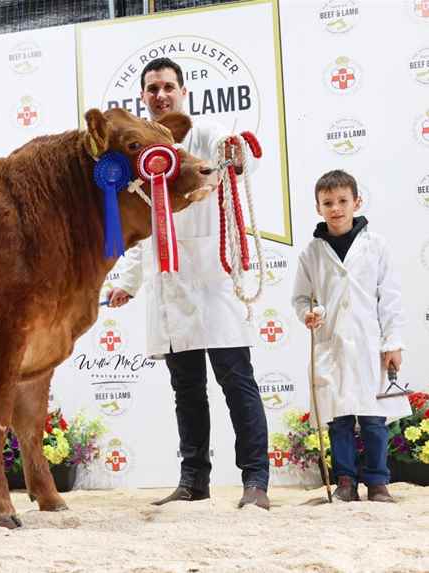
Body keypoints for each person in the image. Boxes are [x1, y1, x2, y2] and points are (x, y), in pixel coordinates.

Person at [107, 57, 270, 509]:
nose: (161, 95)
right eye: (152, 89)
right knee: (187, 391)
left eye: (168, 87)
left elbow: (241, 156)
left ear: (183, 92)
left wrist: (238, 156)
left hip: (212, 279)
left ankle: (255, 481)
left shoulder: (205, 134)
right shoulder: (141, 152)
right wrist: (130, 282)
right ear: (142, 96)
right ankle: (193, 480)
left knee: (237, 382)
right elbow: (144, 227)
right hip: (170, 288)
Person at [292, 169, 409, 502]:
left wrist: (393, 343)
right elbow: (301, 297)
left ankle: (377, 482)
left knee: (373, 418)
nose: (336, 208)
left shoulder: (376, 246)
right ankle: (345, 481)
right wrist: (307, 314)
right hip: (332, 346)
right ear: (318, 207)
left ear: (357, 201)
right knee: (338, 418)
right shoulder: (311, 253)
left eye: (343, 201)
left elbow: (390, 298)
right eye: (327, 202)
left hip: (370, 343)